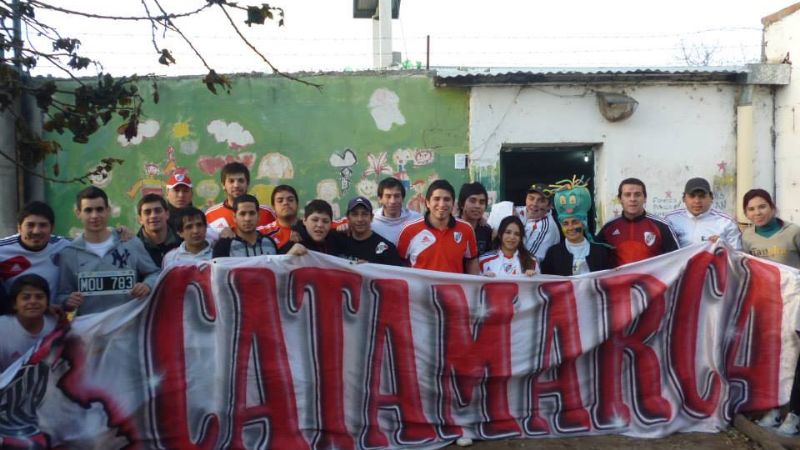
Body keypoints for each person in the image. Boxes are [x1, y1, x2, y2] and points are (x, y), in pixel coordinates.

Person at [743, 189, 800, 435]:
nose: (757, 213)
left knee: (796, 359)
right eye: (751, 209)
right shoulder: (747, 237)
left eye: (762, 206)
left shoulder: (793, 232)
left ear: (773, 207)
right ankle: (774, 409)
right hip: (768, 307)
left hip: (796, 305)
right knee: (773, 359)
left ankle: (795, 414)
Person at [57, 186, 160, 316]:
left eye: (99, 209)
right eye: (88, 210)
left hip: (128, 329)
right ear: (78, 213)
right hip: (91, 331)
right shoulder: (70, 253)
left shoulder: (130, 243)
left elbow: (155, 273)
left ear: (108, 210)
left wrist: (147, 285)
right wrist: (67, 301)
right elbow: (61, 295)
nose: (94, 216)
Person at [397, 179, 479, 274]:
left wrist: (476, 286)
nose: (441, 204)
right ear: (427, 203)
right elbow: (400, 265)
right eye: (436, 199)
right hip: (420, 289)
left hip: (454, 289)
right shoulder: (409, 230)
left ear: (453, 203)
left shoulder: (466, 229)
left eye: (447, 199)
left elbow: (472, 261)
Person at [0, 201, 70, 307]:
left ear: (52, 228)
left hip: (53, 319)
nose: (36, 231)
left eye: (43, 225)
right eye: (30, 225)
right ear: (19, 228)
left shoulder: (65, 246)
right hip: (13, 320)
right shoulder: (2, 249)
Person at [598, 178, 678, 267]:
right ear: (620, 199)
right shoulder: (608, 228)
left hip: (650, 280)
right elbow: (596, 262)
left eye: (637, 195)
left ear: (645, 198)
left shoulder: (662, 226)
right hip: (618, 281)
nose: (632, 199)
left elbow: (676, 261)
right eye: (627, 195)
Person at [541, 177, 612, 275]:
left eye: (575, 222)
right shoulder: (553, 253)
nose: (570, 227)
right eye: (565, 224)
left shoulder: (600, 252)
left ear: (583, 224)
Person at [665, 177, 742, 250]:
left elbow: (738, 255)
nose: (697, 201)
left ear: (711, 198)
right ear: (684, 198)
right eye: (692, 196)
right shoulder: (670, 220)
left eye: (702, 196)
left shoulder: (727, 222)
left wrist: (723, 246)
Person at [0, 275, 57, 371]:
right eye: (26, 298)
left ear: (47, 303)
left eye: (39, 297)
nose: (33, 301)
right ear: (14, 304)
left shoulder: (56, 324)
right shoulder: (2, 328)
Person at [205, 162, 276, 234]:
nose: (236, 185)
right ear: (223, 185)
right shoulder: (210, 215)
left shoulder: (267, 213)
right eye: (231, 181)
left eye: (241, 180)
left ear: (247, 184)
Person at [339, 196, 403, 266]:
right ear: (348, 218)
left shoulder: (387, 248)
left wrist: (372, 268)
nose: (360, 219)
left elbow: (397, 274)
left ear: (372, 217)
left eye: (364, 214)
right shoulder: (338, 240)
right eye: (355, 214)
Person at [213, 195, 279, 258]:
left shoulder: (270, 242)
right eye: (242, 214)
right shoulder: (223, 246)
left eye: (252, 213)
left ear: (258, 216)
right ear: (234, 217)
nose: (247, 219)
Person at [280, 199, 346, 255]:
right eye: (315, 220)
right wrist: (290, 255)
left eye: (325, 221)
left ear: (331, 224)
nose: (320, 225)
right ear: (304, 221)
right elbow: (277, 267)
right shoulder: (293, 242)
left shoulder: (338, 241)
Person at [516, 183, 561, 262]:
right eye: (531, 198)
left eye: (541, 201)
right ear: (526, 199)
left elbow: (530, 260)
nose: (534, 204)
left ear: (549, 206)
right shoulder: (518, 211)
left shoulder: (547, 226)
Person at [371, 177, 422, 244]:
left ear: (402, 198)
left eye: (397, 196)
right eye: (388, 196)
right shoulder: (370, 221)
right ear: (380, 199)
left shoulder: (416, 219)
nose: (393, 201)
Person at [136, 193, 181, 267]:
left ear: (167, 214)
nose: (153, 216)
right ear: (140, 219)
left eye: (158, 211)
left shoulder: (183, 243)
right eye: (147, 212)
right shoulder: (134, 248)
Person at [257, 184, 299, 249]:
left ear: (297, 204)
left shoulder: (310, 230)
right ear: (273, 207)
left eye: (290, 200)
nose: (285, 203)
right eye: (280, 201)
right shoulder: (261, 234)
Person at [458, 182, 493, 256]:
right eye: (472, 201)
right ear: (462, 204)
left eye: (482, 202)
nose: (477, 206)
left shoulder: (487, 232)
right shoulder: (451, 227)